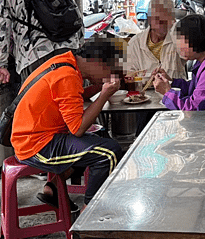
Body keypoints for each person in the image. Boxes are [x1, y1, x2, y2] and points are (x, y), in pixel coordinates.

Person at [11, 36, 126, 211]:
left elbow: (76, 98)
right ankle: (89, 214)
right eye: (110, 70)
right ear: (97, 62)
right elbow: (77, 129)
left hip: (41, 135)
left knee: (100, 133)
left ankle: (54, 187)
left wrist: (99, 87)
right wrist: (104, 95)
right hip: (36, 145)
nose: (110, 75)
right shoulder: (67, 76)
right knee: (108, 153)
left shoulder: (66, 61)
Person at [126, 0, 187, 80]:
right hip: (144, 92)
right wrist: (148, 79)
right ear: (149, 19)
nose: (160, 25)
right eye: (157, 19)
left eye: (165, 20)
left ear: (173, 20)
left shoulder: (180, 39)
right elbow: (129, 75)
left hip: (175, 91)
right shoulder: (135, 43)